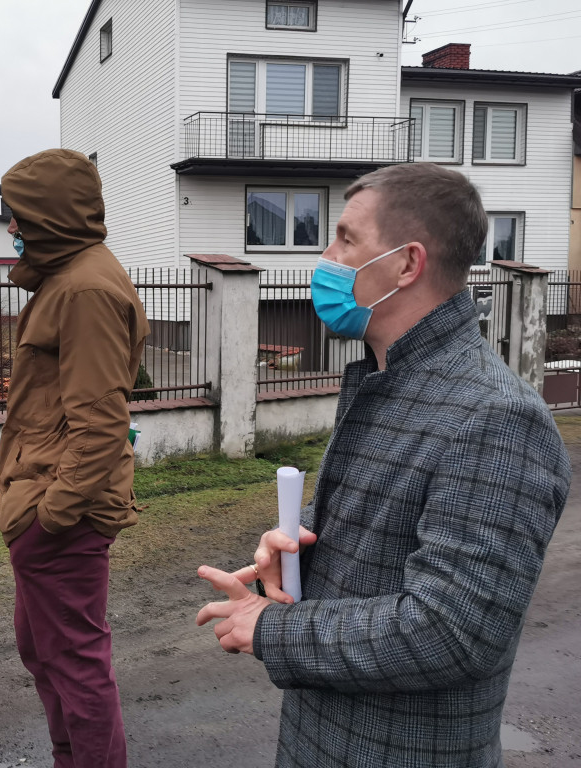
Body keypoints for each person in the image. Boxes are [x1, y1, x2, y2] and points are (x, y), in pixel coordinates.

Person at [195, 162, 571, 768]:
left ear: (406, 264)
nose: (326, 254)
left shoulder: (495, 417)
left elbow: (453, 631)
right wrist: (298, 566)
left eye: (346, 238)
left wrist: (272, 629)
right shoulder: (386, 381)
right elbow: (382, 559)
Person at [0, 148, 151, 768]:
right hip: (43, 501)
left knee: (76, 662)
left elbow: (102, 424)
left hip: (63, 513)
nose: (12, 228)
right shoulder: (66, 276)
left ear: (50, 215)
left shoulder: (84, 288)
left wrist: (52, 516)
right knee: (44, 650)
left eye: (20, 215)